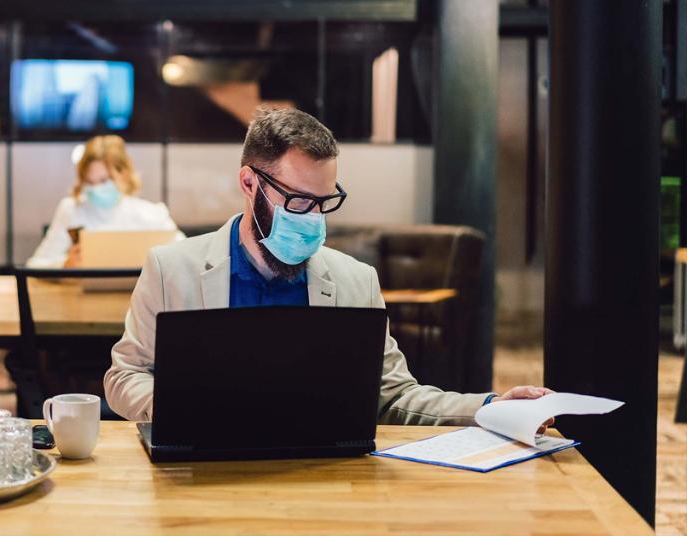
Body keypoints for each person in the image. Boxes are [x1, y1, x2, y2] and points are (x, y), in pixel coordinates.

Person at [104, 107, 555, 425]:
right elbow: (124, 375)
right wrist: (183, 410)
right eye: (300, 201)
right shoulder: (171, 269)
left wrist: (494, 406)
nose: (314, 219)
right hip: (199, 471)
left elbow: (395, 395)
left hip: (326, 477)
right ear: (249, 183)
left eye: (326, 202)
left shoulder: (355, 281)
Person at [26, 135, 182, 268]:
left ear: (124, 174)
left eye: (104, 180)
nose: (96, 189)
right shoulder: (72, 209)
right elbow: (36, 264)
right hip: (81, 300)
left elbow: (186, 256)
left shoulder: (151, 214)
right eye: (89, 182)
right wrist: (66, 264)